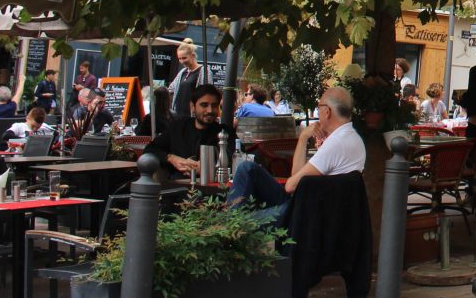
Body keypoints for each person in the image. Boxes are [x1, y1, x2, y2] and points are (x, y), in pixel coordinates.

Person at [226, 85, 365, 224]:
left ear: (327, 111)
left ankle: (230, 228)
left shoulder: (336, 143)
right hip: (311, 204)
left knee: (239, 221)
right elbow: (296, 176)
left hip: (309, 212)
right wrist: (304, 137)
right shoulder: (351, 137)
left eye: (319, 106)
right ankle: (231, 226)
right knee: (247, 169)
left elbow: (291, 186)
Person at [145, 83, 225, 176]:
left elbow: (234, 157)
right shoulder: (178, 128)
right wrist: (172, 158)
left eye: (214, 105)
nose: (210, 110)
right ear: (192, 106)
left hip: (212, 187)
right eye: (204, 105)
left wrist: (209, 167)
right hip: (176, 186)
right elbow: (150, 149)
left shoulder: (224, 133)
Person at [166, 40, 209, 121]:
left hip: (193, 116)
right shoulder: (182, 72)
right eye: (179, 58)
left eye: (184, 58)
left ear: (192, 56)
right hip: (177, 115)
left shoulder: (203, 71)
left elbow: (207, 94)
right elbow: (171, 89)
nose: (182, 61)